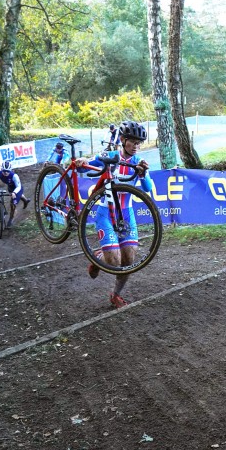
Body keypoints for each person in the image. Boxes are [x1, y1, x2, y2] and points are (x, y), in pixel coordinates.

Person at [75, 121, 151, 309]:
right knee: (114, 261)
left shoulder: (137, 163)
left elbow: (147, 188)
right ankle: (99, 257)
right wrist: (81, 162)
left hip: (126, 214)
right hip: (105, 213)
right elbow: (86, 167)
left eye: (139, 143)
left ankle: (115, 294)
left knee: (129, 260)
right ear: (123, 140)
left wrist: (143, 173)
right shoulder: (109, 156)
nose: (136, 147)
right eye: (133, 142)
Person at [0, 160, 30, 228]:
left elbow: (18, 186)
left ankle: (11, 219)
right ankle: (25, 200)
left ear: (10, 170)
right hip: (10, 187)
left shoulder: (14, 176)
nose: (6, 173)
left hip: (18, 189)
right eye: (4, 171)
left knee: (12, 204)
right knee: (16, 196)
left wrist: (15, 192)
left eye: (7, 171)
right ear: (1, 169)